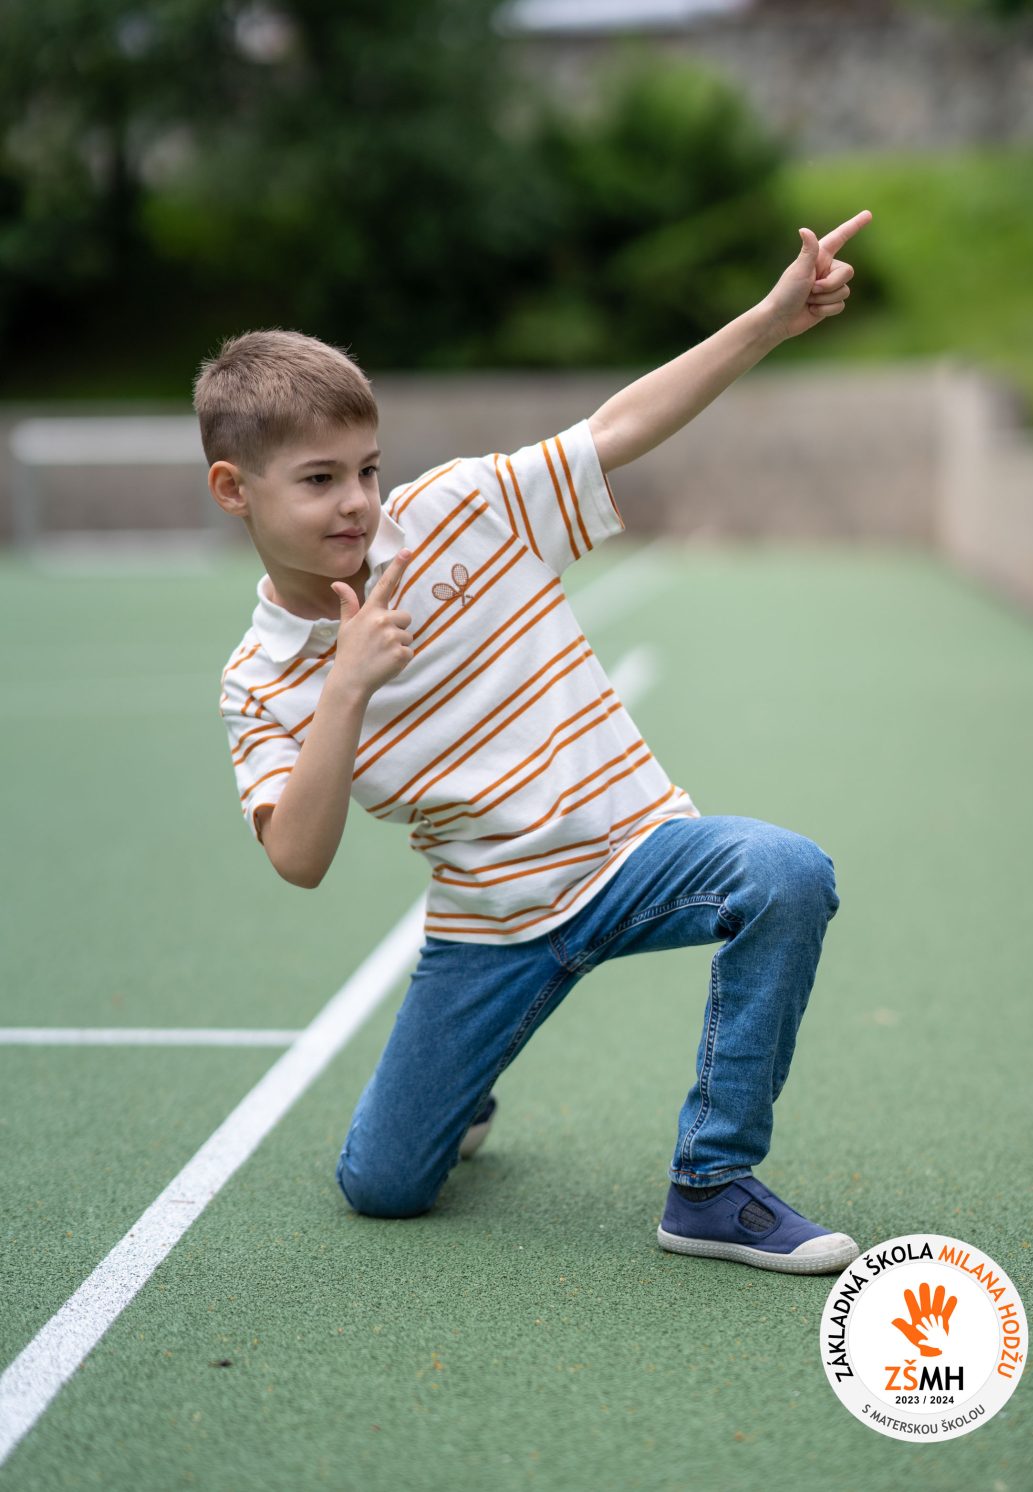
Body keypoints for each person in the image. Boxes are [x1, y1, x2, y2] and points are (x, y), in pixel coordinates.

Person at [195, 211, 872, 1274]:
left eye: (368, 469)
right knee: (382, 1188)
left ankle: (711, 1185)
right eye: (320, 480)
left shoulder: (463, 508)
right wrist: (347, 686)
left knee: (788, 872)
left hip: (637, 855)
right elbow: (299, 857)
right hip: (491, 919)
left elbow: (618, 426)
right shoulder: (258, 679)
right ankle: (465, 1087)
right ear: (235, 490)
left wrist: (769, 321)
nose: (358, 503)